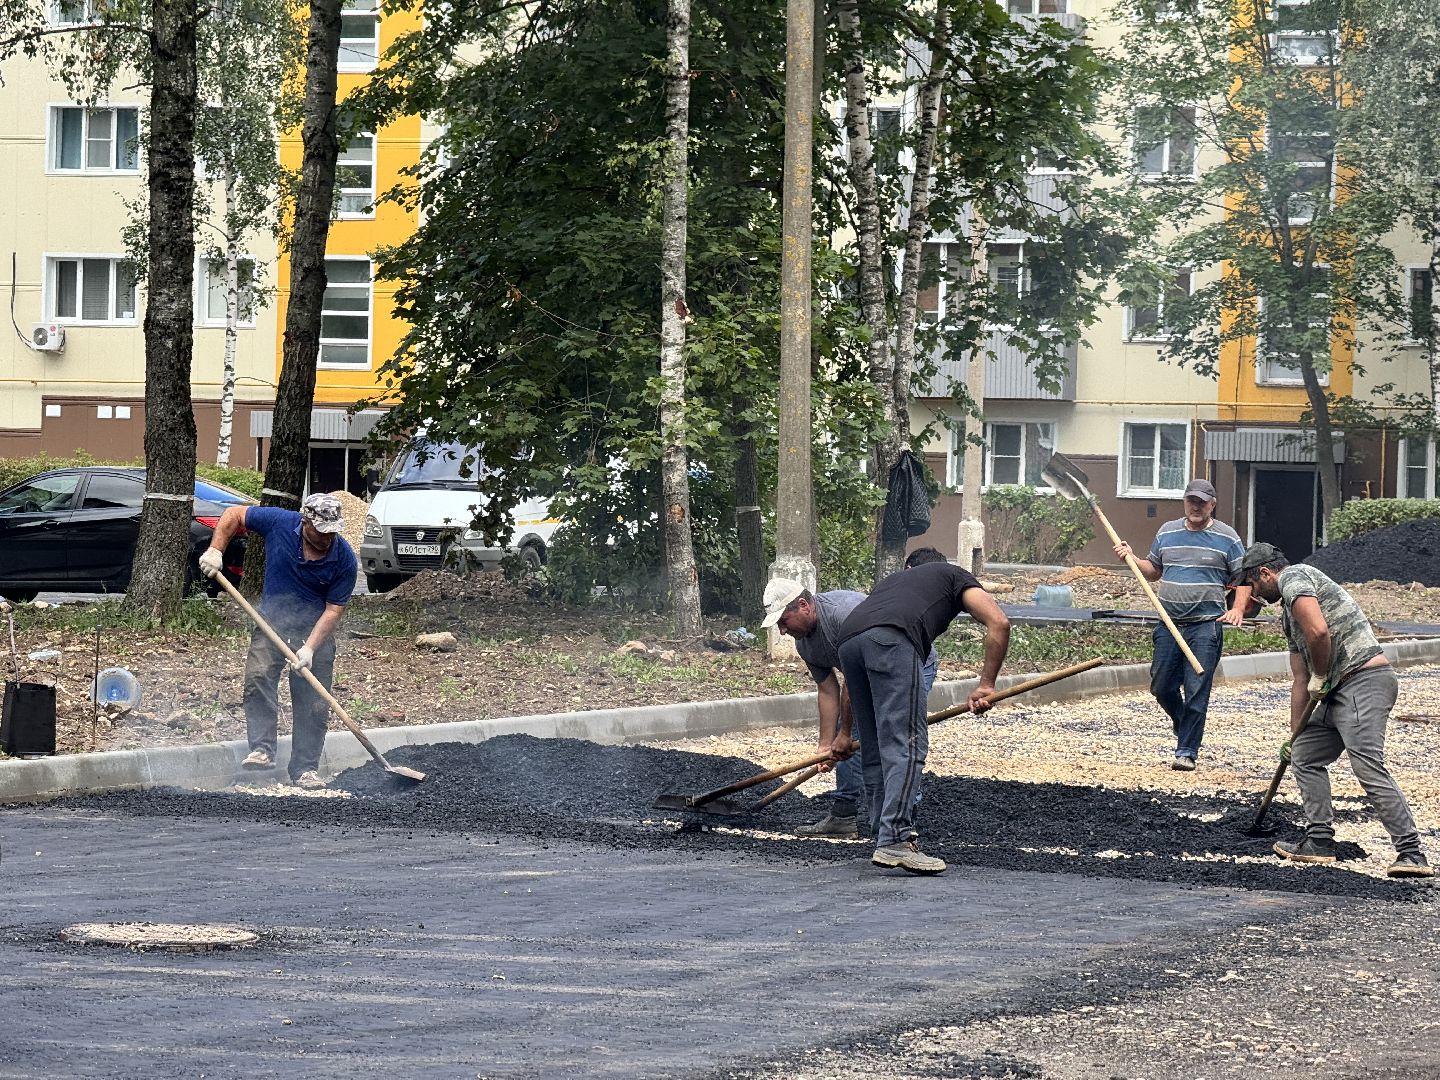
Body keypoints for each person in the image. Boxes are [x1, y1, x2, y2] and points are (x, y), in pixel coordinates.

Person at [1239, 543, 1432, 878]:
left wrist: (1322, 674)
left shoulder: (1295, 577)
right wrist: (1294, 734)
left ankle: (1412, 853)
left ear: (1266, 573)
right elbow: (1300, 680)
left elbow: (1319, 631)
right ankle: (1319, 842)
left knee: (1367, 765)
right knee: (1305, 755)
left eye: (1253, 585)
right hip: (1333, 690)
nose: (1253, 593)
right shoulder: (1287, 615)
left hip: (1364, 679)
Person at [834, 556, 1010, 875]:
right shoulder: (957, 576)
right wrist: (986, 685)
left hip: (850, 640)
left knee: (875, 747)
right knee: (907, 743)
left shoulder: (894, 584)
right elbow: (999, 622)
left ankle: (882, 833)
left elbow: (850, 682)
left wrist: (844, 731)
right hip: (891, 639)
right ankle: (896, 839)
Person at [763, 549, 942, 840]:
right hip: (865, 671)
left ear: (804, 605)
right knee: (846, 738)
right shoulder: (805, 643)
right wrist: (826, 746)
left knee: (898, 734)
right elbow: (828, 690)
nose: (782, 631)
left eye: (783, 621)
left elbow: (855, 680)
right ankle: (844, 815)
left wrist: (844, 733)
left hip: (912, 662)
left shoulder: (843, 614)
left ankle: (905, 820)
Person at [200, 493, 358, 790]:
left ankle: (306, 769)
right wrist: (215, 550)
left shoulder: (344, 559)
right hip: (271, 621)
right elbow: (234, 514)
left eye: (333, 532)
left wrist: (310, 648)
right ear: (305, 521)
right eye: (321, 532)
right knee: (258, 676)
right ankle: (261, 750)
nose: (327, 539)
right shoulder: (280, 523)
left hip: (314, 631)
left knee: (313, 701)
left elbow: (334, 609)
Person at [1113, 478, 1251, 771]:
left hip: (1205, 625)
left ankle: (1186, 750)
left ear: (1212, 504)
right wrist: (1133, 558)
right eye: (1192, 500)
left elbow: (1244, 578)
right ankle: (1182, 723)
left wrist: (1238, 609)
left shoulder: (1228, 538)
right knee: (1161, 686)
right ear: (1185, 502)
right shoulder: (1167, 531)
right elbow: (1154, 571)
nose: (1196, 506)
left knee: (1196, 689)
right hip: (1169, 622)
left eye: (1202, 502)